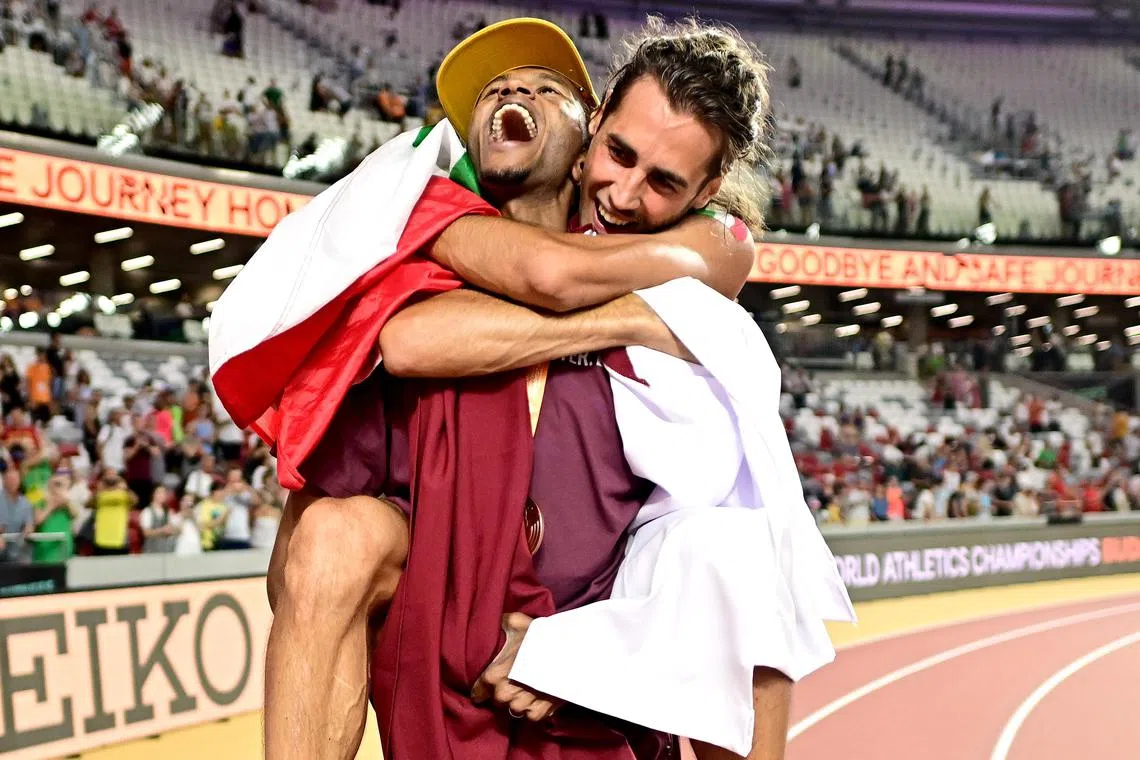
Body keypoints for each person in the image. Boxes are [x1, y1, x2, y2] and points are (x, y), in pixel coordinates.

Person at [219, 18, 848, 760]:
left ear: (706, 190)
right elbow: (430, 331)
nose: (625, 190)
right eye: (620, 155)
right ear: (601, 126)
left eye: (664, 182)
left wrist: (579, 653)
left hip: (586, 654)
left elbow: (715, 546)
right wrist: (635, 318)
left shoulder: (703, 261)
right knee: (331, 536)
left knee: (738, 558)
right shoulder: (432, 220)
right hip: (444, 618)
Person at [91, 468, 135, 555]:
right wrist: (99, 490)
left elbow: (135, 501)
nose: (111, 477)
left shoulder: (123, 494)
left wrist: (126, 488)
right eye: (108, 474)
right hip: (101, 539)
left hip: (120, 538)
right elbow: (88, 504)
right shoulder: (100, 494)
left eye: (114, 475)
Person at [0, 466, 33, 562]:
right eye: (10, 479)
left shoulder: (25, 502)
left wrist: (28, 528)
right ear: (4, 480)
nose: (12, 482)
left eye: (15, 479)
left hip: (15, 550)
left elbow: (29, 524)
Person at [139, 485, 179, 553]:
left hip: (166, 551)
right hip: (151, 551)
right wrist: (162, 530)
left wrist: (173, 529)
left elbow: (175, 530)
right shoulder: (147, 511)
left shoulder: (169, 512)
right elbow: (146, 533)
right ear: (153, 495)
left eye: (164, 493)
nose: (162, 495)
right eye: (159, 493)